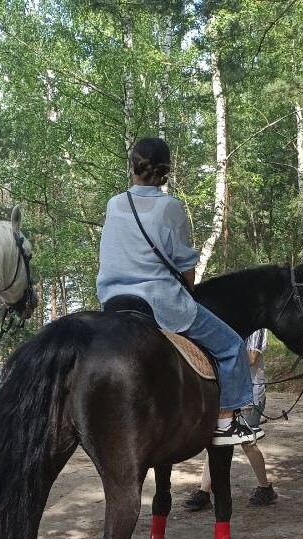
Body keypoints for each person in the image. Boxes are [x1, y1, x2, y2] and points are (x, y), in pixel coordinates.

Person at [97, 137, 261, 446]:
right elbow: (185, 263)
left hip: (113, 302)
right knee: (231, 345)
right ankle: (227, 421)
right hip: (160, 304)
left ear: (132, 166)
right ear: (166, 171)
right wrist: (188, 289)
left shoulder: (114, 203)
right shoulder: (170, 207)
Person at [183, 328, 278, 509]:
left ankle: (265, 488)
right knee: (218, 438)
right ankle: (204, 492)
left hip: (250, 394)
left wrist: (221, 352)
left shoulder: (258, 329)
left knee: (247, 443)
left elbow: (251, 358)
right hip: (228, 393)